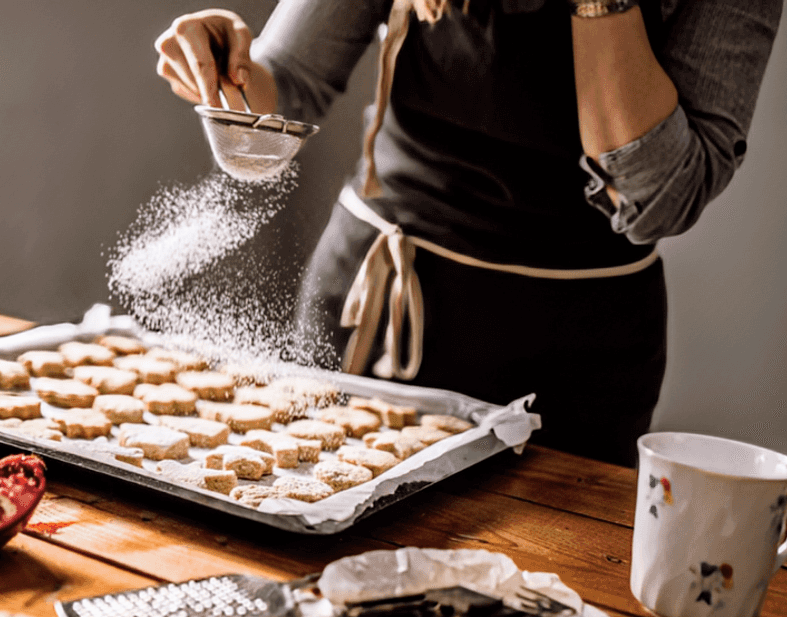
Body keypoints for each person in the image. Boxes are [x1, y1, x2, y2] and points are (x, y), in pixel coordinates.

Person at [154, 0, 781, 466]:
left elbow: (660, 200)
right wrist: (227, 72)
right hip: (384, 308)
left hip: (582, 357)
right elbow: (287, 85)